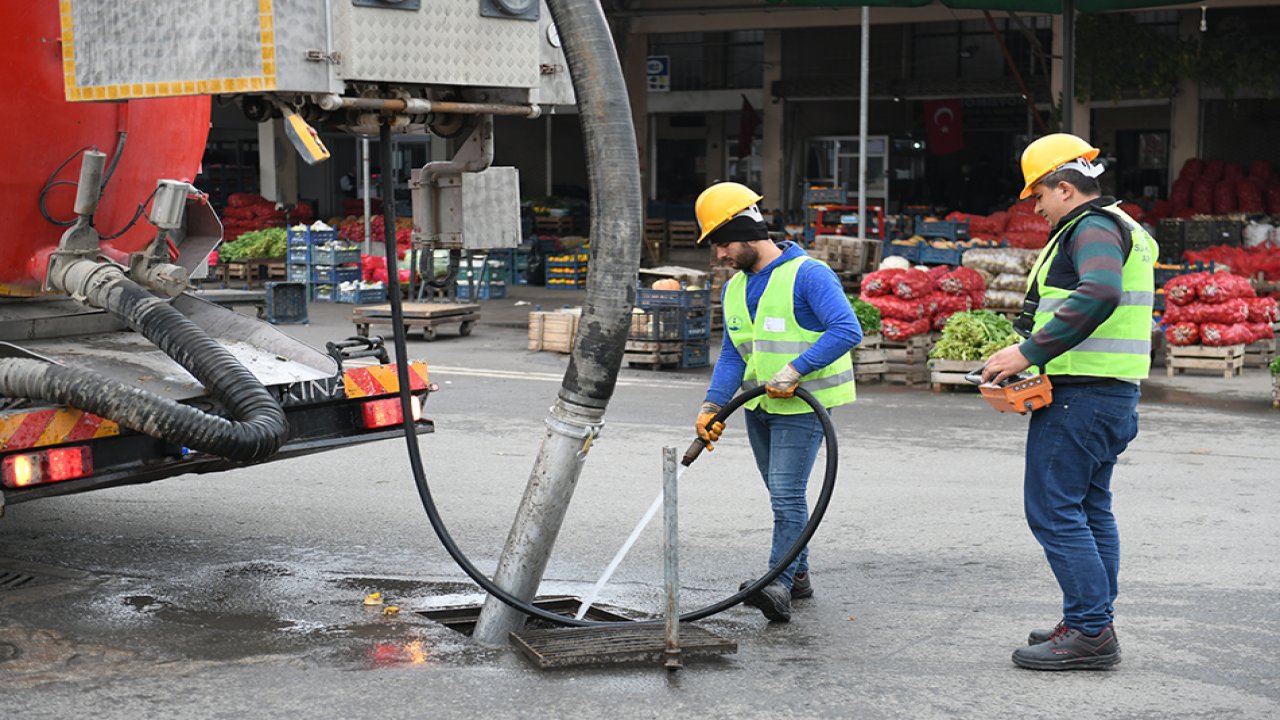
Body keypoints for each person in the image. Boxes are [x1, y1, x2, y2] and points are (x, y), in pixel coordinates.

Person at [982, 133, 1157, 670]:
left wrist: (1029, 351)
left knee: (1054, 511)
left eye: (1038, 196)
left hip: (1081, 397)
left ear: (1064, 187)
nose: (1035, 207)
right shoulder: (1121, 226)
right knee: (1088, 507)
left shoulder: (1093, 227)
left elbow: (1099, 291)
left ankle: (1090, 631)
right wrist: (1023, 350)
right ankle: (1091, 617)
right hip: (1109, 393)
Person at [693, 181, 862, 623]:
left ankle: (778, 584)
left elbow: (846, 330)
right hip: (759, 408)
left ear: (748, 233)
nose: (720, 256)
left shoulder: (809, 274)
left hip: (803, 409)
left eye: (723, 244)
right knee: (781, 496)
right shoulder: (735, 288)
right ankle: (799, 575)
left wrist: (794, 370)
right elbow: (734, 353)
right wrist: (713, 405)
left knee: (787, 497)